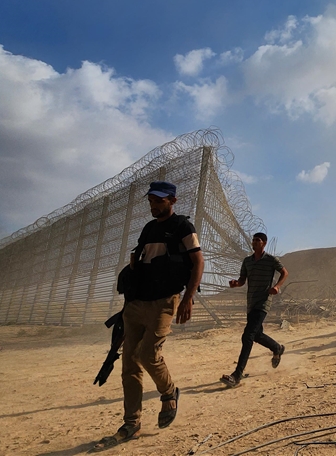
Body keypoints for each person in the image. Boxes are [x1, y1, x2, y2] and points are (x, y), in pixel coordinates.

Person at [95, 181, 204, 450]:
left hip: (164, 301)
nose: (154, 205)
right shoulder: (148, 228)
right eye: (151, 201)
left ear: (172, 201)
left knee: (148, 354)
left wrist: (188, 298)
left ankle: (169, 392)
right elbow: (140, 261)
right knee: (129, 364)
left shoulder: (183, 226)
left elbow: (198, 261)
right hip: (136, 303)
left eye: (159, 200)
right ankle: (131, 423)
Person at [221, 232, 288, 388]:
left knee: (248, 336)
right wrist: (235, 284)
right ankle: (277, 348)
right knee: (257, 335)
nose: (254, 242)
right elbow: (242, 280)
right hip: (251, 302)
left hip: (263, 302)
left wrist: (277, 286)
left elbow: (285, 272)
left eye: (258, 240)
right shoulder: (247, 261)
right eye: (253, 240)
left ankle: (237, 375)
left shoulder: (271, 260)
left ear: (264, 243)